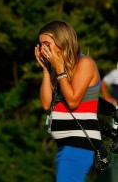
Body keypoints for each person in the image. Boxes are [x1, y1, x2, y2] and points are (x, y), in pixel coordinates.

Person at [34, 20, 102, 182]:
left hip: (79, 143)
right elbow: (45, 103)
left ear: (62, 41)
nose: (43, 49)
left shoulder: (85, 63)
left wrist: (59, 70)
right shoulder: (60, 70)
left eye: (46, 44)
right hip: (66, 145)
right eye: (40, 45)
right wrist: (45, 69)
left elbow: (72, 101)